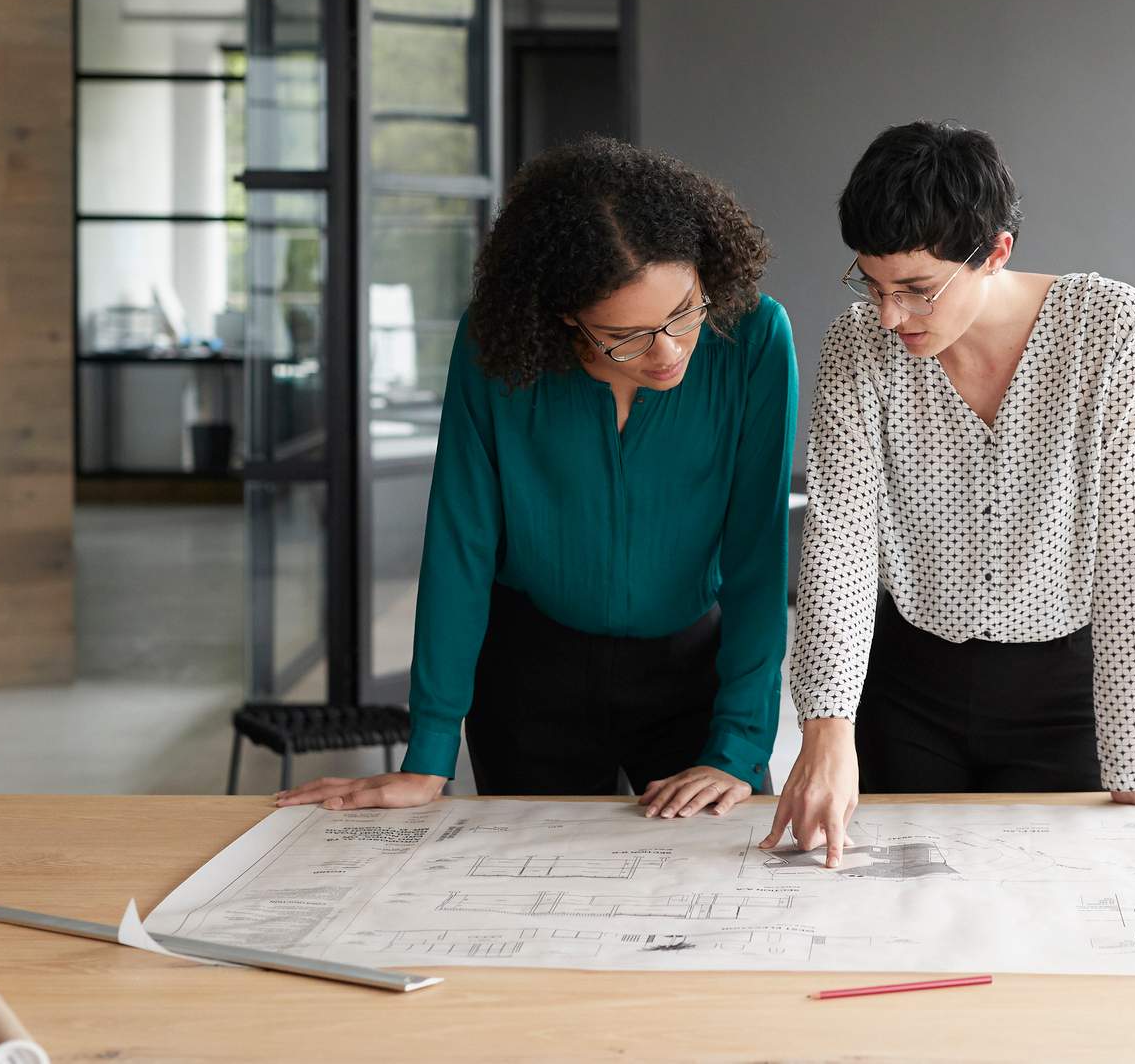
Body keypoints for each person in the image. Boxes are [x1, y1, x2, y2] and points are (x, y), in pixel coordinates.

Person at [277, 137, 797, 819]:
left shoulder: (755, 338)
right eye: (628, 334)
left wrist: (736, 746)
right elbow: (461, 542)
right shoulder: (493, 350)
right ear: (565, 318)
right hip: (530, 674)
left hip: (694, 672)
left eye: (683, 312)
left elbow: (759, 559)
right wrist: (428, 753)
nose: (668, 351)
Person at [764, 122, 1135, 866]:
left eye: (916, 290)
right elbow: (840, 544)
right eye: (871, 285)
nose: (890, 316)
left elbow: (1130, 558)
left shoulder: (1110, 329)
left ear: (996, 251)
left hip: (1062, 692)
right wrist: (824, 729)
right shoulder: (858, 345)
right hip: (906, 684)